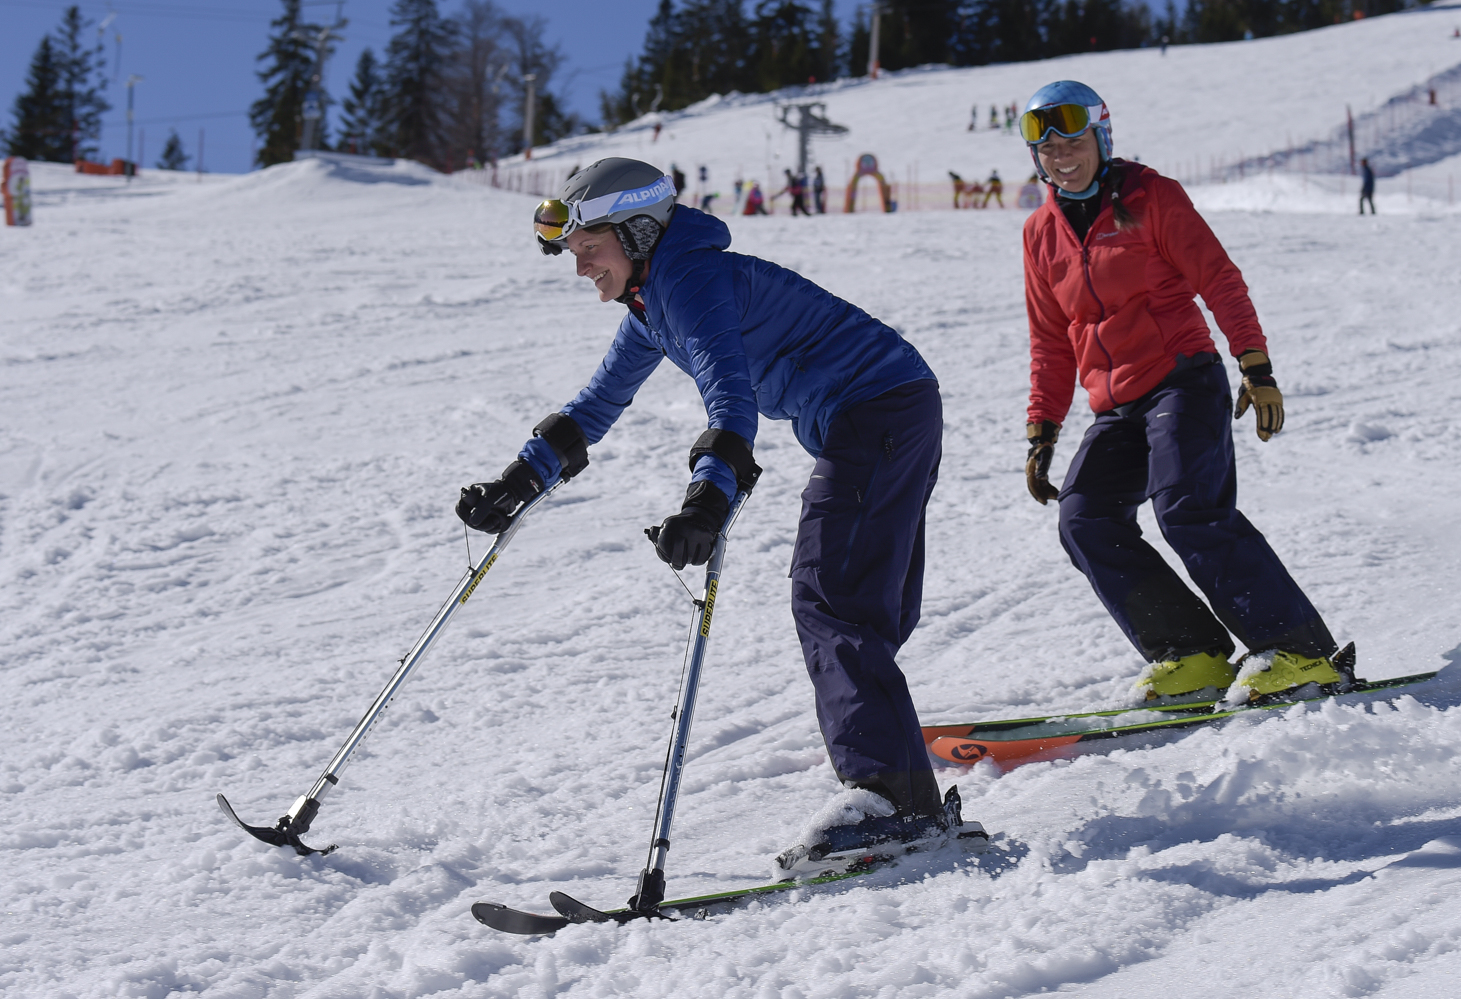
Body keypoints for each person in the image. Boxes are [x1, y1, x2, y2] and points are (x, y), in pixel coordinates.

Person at [456, 157, 983, 871]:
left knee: (831, 596)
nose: (579, 268)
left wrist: (707, 498)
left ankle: (896, 803)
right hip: (889, 408)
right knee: (853, 598)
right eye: (573, 253)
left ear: (638, 232)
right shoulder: (655, 299)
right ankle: (903, 790)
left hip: (878, 411)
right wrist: (519, 477)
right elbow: (597, 403)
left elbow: (729, 399)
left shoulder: (688, 281)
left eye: (589, 248)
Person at [1016, 81, 1349, 706]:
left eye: (1074, 139)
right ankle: (1190, 652)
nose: (1061, 155)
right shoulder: (1040, 233)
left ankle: (1300, 651)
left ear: (1101, 136)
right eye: (1047, 147)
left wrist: (1255, 365)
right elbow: (1050, 341)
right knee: (1083, 518)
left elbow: (1218, 279)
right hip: (1113, 406)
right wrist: (1043, 430)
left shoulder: (1151, 197)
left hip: (1181, 378)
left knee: (1187, 506)